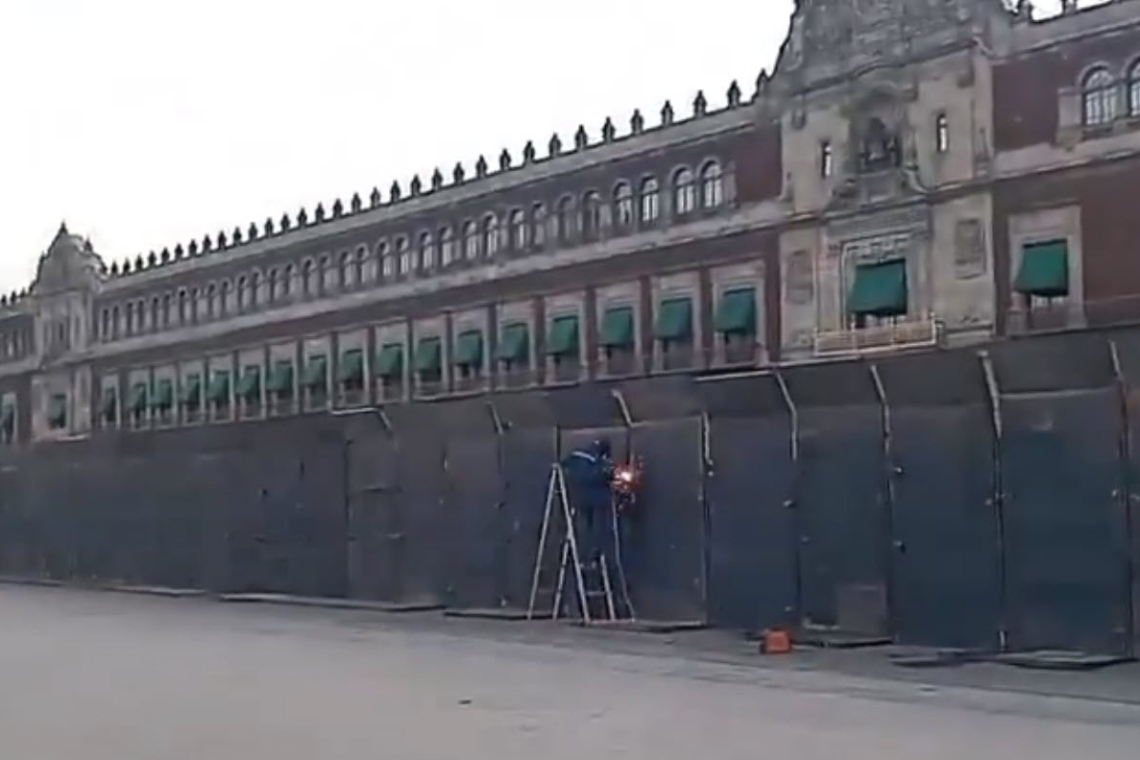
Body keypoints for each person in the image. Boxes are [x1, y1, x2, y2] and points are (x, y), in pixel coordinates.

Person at [560, 439, 614, 567]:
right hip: (596, 501)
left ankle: (581, 557)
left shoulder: (576, 454)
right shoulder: (598, 461)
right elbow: (604, 475)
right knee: (597, 531)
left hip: (577, 498)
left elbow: (563, 465)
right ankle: (591, 558)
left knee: (582, 529)